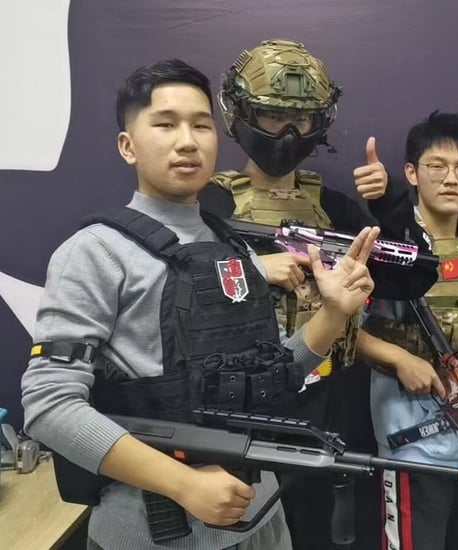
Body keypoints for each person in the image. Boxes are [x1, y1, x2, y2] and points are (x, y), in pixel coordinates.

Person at [20, 58, 378, 550]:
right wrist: (182, 483)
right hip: (150, 531)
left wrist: (334, 313)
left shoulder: (234, 248)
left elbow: (275, 377)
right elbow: (49, 406)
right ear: (127, 145)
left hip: (261, 520)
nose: (187, 141)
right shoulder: (95, 252)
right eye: (165, 124)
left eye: (201, 125)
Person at [198, 39, 425, 550]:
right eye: (273, 116)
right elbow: (171, 292)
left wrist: (390, 204)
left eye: (301, 120)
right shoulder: (208, 204)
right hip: (239, 407)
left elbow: (411, 279)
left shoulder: (334, 209)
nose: (288, 134)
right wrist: (253, 269)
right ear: (240, 113)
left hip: (328, 403)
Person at [357, 111, 458, 550]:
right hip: (410, 448)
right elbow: (342, 329)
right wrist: (399, 359)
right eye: (437, 166)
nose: (451, 179)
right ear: (411, 173)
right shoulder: (389, 246)